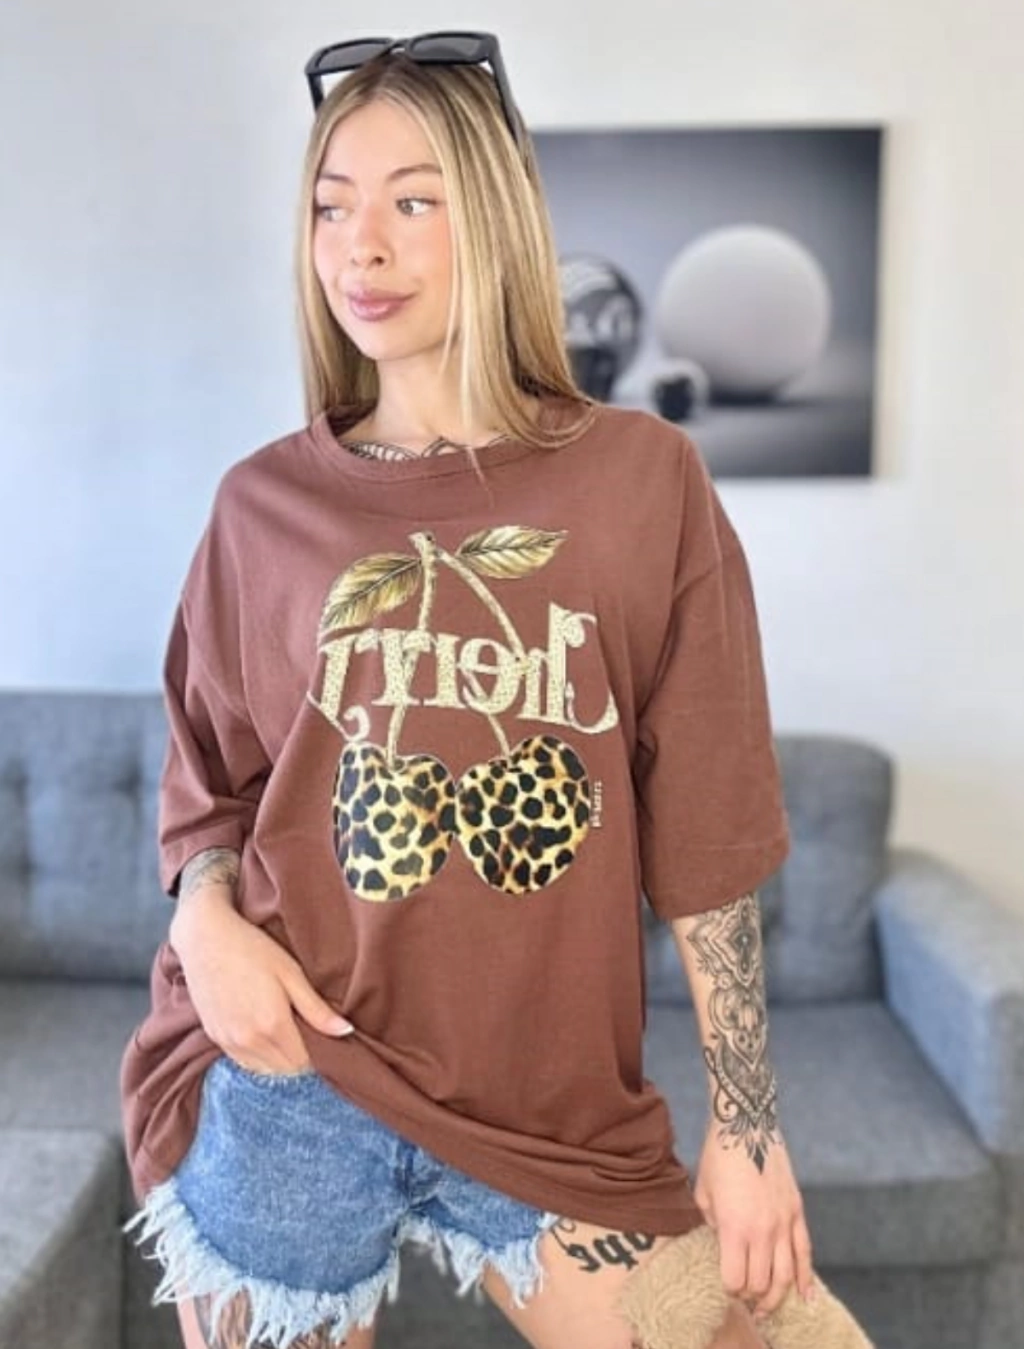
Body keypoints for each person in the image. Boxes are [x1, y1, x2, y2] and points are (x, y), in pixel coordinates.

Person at [120, 30, 817, 1349]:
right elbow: (210, 793)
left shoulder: (643, 481)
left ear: (493, 218)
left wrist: (749, 1127)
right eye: (332, 206)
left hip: (549, 1111)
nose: (361, 249)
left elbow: (710, 830)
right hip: (289, 1082)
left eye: (413, 201)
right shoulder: (263, 506)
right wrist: (208, 931)